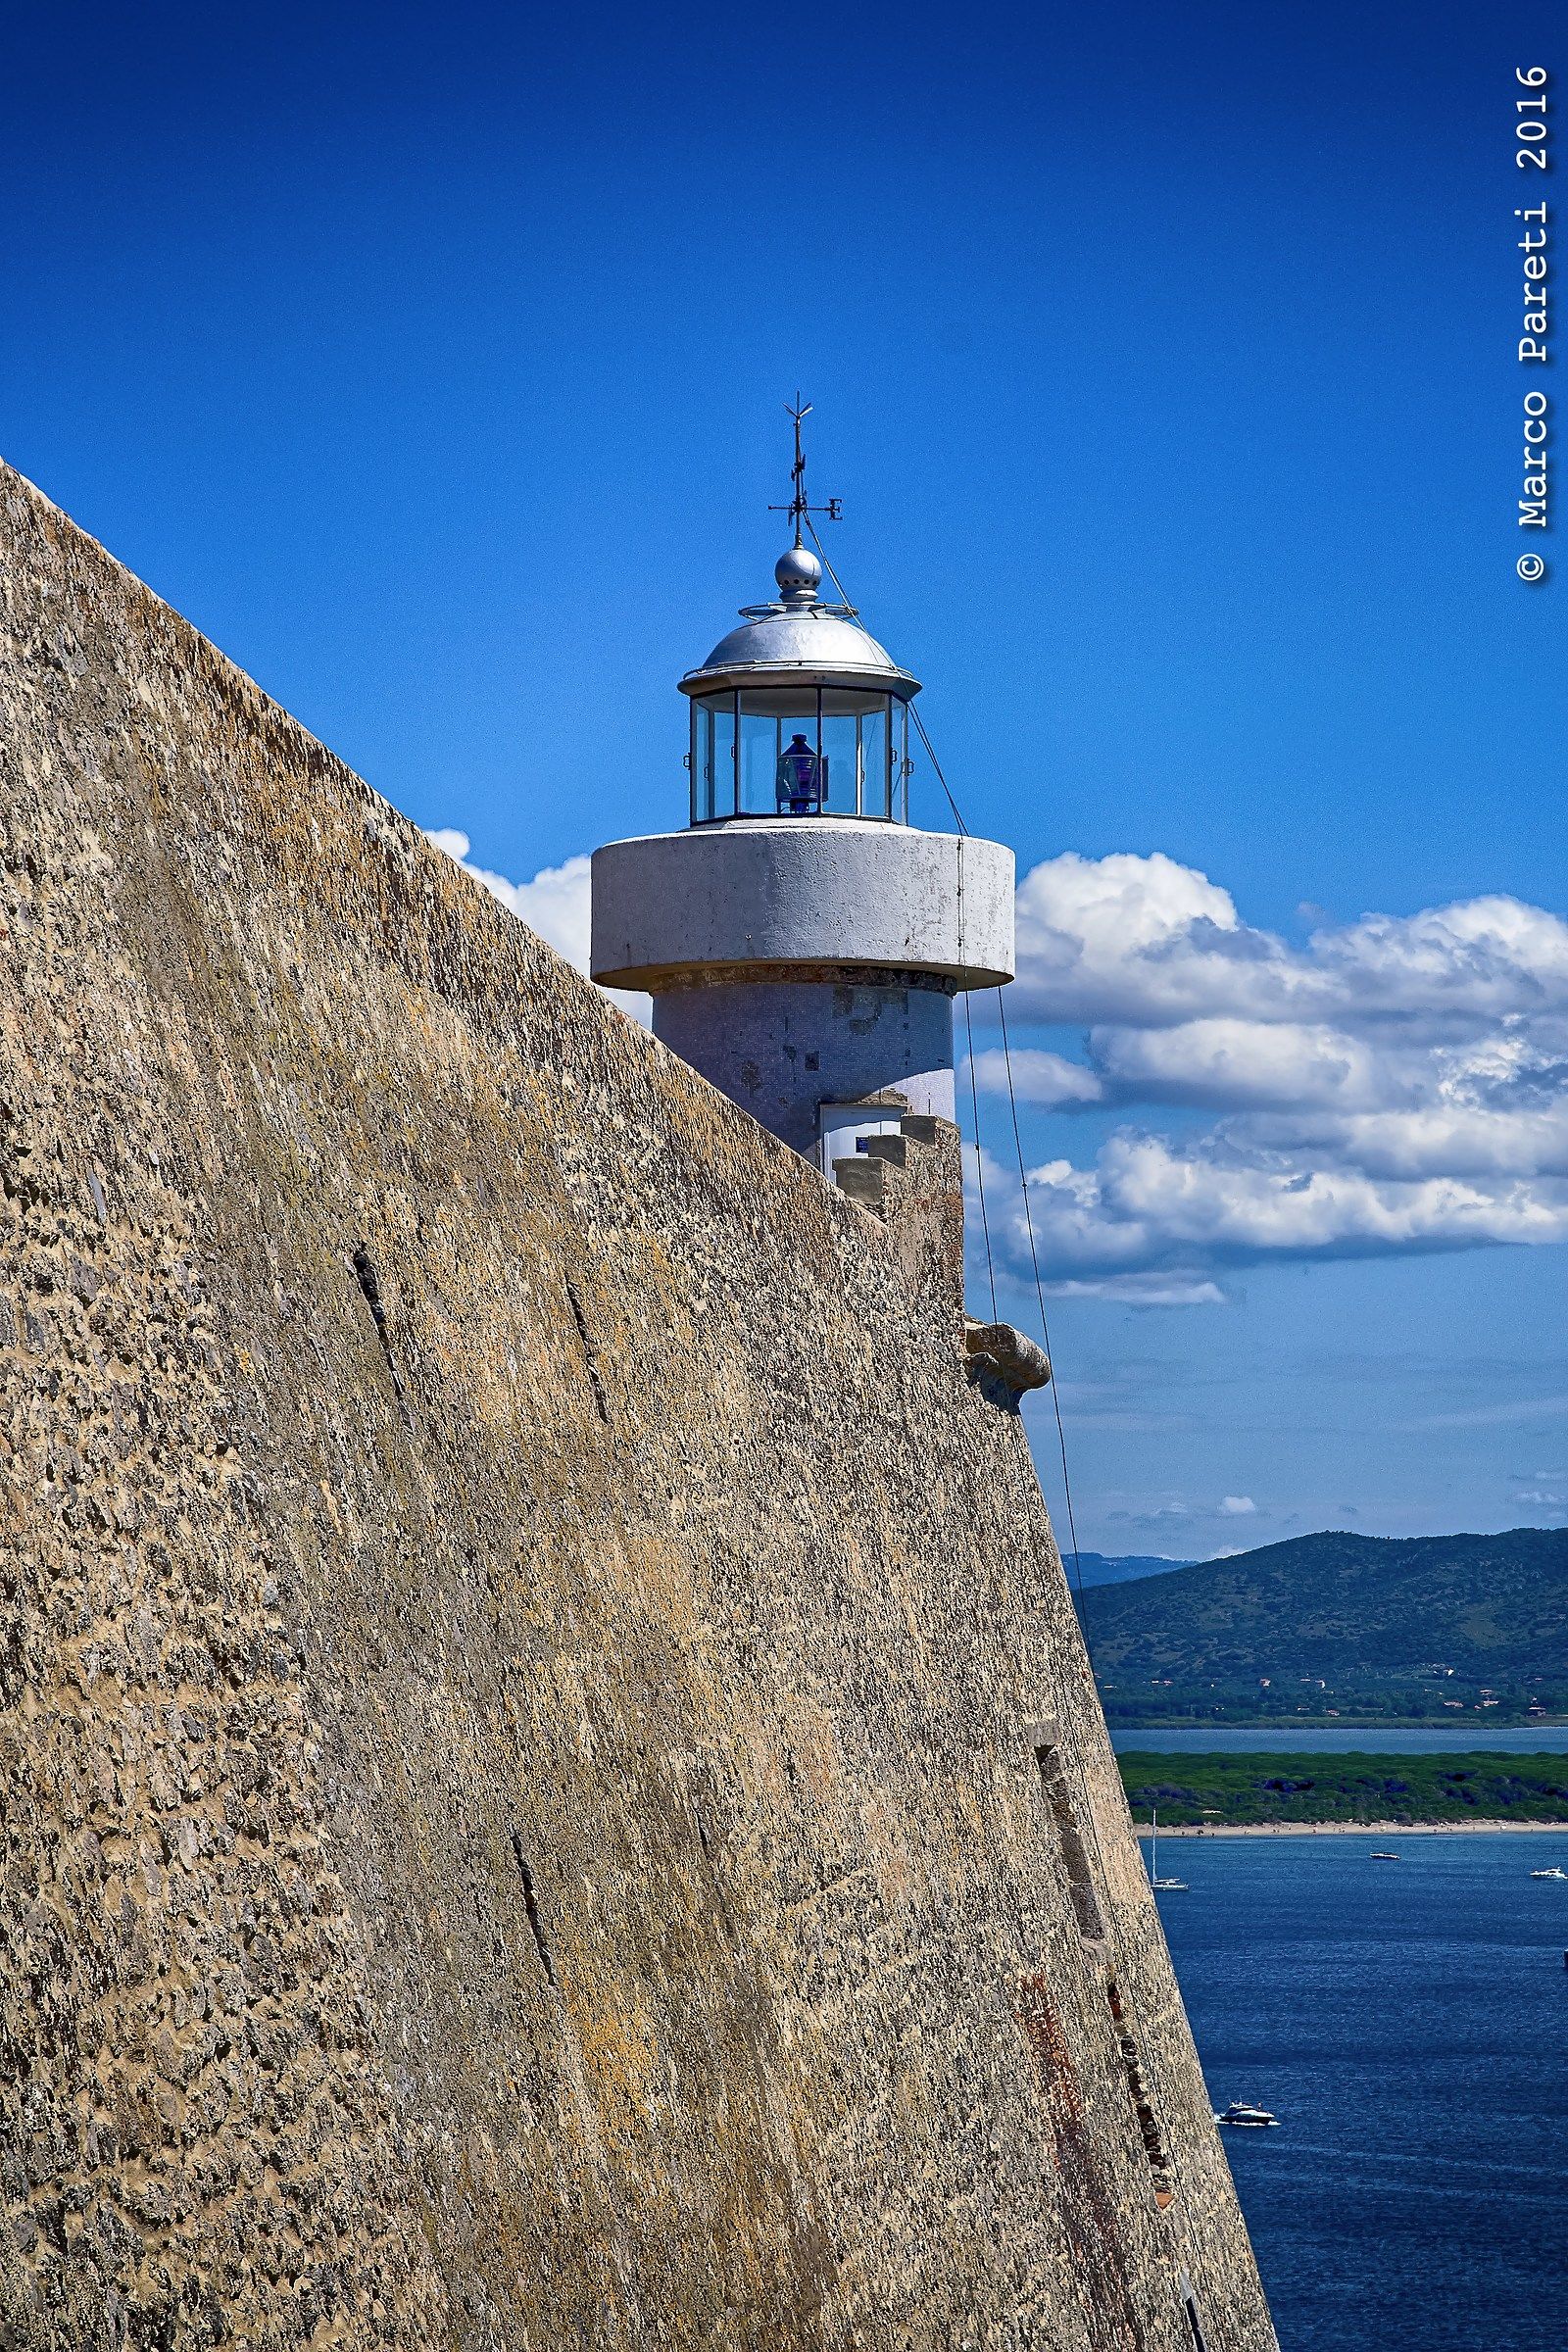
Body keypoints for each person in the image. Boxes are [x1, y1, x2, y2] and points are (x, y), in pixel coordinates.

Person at [776, 732, 822, 814]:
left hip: (796, 790)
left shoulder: (789, 759)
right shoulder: (811, 758)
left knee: (799, 791)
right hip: (800, 789)